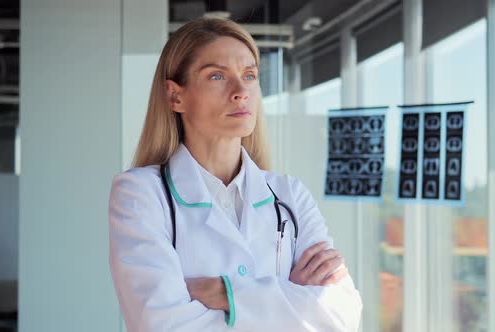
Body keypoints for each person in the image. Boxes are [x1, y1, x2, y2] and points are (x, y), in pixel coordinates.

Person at [108, 17, 362, 331]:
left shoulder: (289, 195)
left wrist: (226, 295)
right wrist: (289, 297)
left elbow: (342, 315)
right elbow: (161, 324)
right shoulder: (141, 192)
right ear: (176, 97)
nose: (241, 91)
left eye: (250, 75)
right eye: (217, 76)